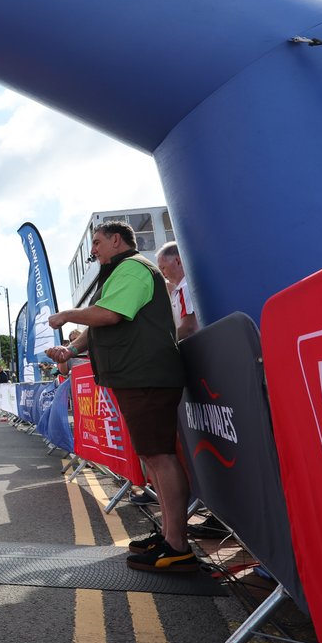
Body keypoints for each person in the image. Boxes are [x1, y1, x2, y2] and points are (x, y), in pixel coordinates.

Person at [46, 221, 193, 573]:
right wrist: (70, 350)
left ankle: (178, 546)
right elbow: (100, 322)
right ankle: (169, 536)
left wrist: (66, 314)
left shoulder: (133, 268)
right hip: (136, 376)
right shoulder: (120, 272)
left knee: (160, 457)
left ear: (116, 240)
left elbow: (109, 315)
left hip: (147, 375)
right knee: (152, 456)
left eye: (97, 243)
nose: (93, 250)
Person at [155, 242, 199, 340]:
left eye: (163, 268)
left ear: (178, 261)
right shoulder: (180, 290)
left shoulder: (185, 288)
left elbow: (189, 329)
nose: (162, 273)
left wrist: (161, 342)